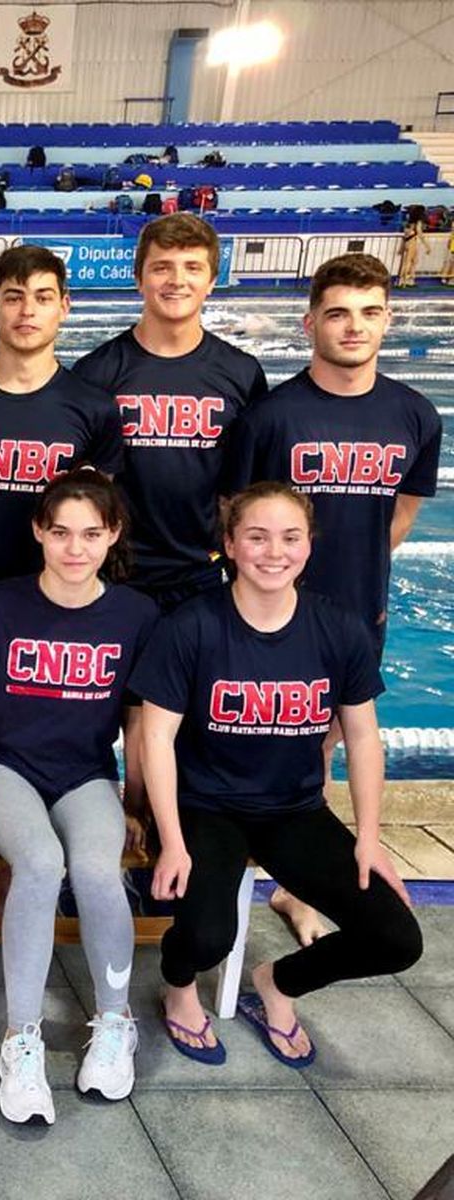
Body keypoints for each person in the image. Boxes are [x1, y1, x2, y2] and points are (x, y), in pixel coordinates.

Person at [132, 483, 422, 1066]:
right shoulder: (191, 626)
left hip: (294, 810)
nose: (273, 552)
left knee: (396, 937)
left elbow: (363, 737)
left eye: (290, 538)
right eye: (257, 537)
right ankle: (179, 984)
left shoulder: (338, 629)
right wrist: (172, 839)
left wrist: (368, 838)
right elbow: (156, 737)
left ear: (309, 546)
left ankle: (278, 983)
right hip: (206, 806)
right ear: (231, 545)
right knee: (207, 936)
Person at [221, 252, 441, 944]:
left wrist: (360, 569)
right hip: (269, 614)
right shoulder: (273, 416)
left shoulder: (415, 414)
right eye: (339, 313)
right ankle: (227, 868)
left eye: (370, 313)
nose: (354, 327)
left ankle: (296, 886)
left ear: (389, 320)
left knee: (322, 745)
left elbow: (400, 517)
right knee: (251, 734)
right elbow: (237, 514)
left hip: (355, 607)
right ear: (310, 320)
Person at [0, 469, 157, 1124]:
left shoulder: (134, 614)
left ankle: (113, 1023)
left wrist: (133, 800)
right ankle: (22, 1041)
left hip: (85, 775)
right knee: (41, 865)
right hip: (7, 765)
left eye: (91, 534)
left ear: (113, 535)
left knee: (100, 871)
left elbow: (136, 720)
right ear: (39, 532)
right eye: (62, 532)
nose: (76, 548)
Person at [72, 214, 267, 611]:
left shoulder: (242, 374)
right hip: (114, 574)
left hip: (203, 576)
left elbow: (248, 489)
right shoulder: (97, 372)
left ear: (212, 281)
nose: (177, 280)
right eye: (161, 267)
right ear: (138, 278)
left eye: (192, 268)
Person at [0, 245, 124, 590]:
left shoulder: (96, 409)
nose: (27, 311)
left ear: (64, 307)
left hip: (52, 600)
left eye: (43, 298)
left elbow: (99, 515)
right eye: (14, 298)